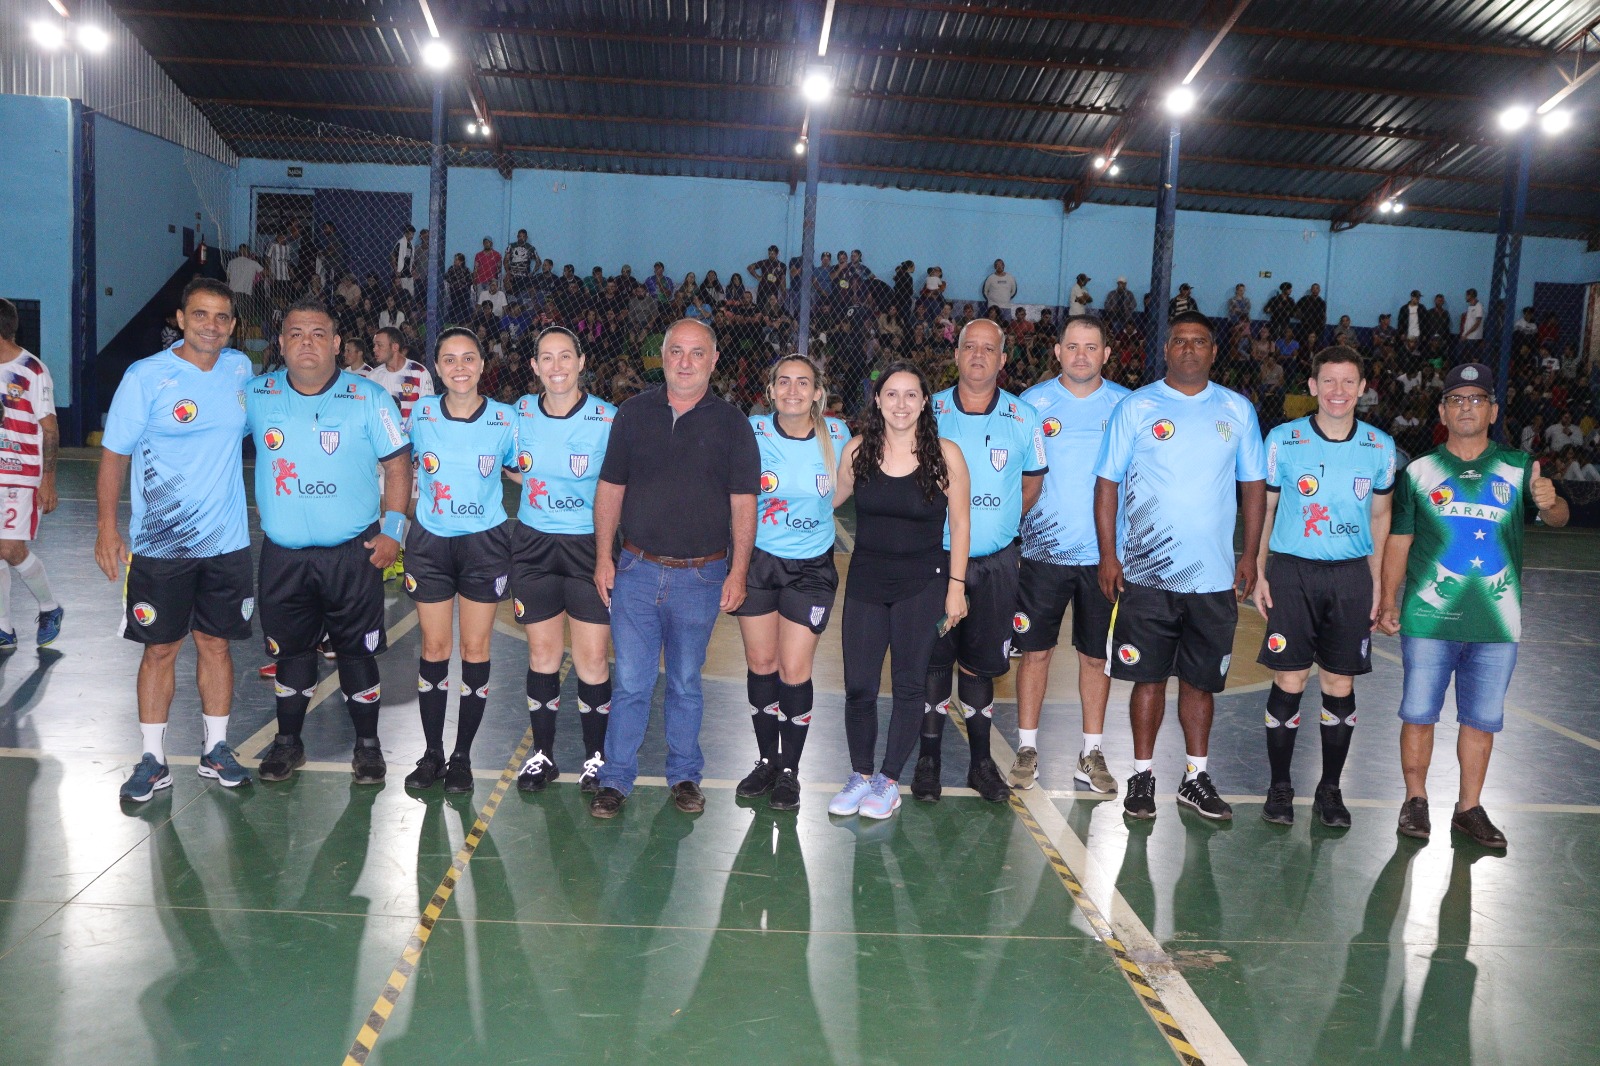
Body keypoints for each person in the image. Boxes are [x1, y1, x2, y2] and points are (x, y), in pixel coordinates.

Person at [1378, 362, 1569, 848]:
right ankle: (1415, 802)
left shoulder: (1520, 467)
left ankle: (1469, 808)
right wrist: (1387, 598)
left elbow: (1559, 518)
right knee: (1418, 713)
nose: (1466, 407)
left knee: (1481, 720)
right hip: (1429, 617)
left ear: (1493, 410)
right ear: (1443, 409)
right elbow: (1399, 541)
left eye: (1476, 399)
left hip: (1496, 620)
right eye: (1457, 399)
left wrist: (1549, 503)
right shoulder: (1419, 472)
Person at [1093, 311, 1267, 821]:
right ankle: (1142, 776)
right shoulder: (1136, 406)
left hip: (1212, 578)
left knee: (1200, 682)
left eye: (1200, 342)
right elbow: (1107, 483)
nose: (1190, 349)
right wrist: (1109, 554)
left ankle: (1195, 778)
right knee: (1147, 680)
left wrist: (1250, 554)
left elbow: (1253, 485)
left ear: (1214, 352)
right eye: (1180, 341)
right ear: (1166, 350)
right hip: (1147, 573)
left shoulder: (1237, 410)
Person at [588, 319, 760, 818]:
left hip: (703, 577)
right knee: (632, 683)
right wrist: (604, 556)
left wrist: (738, 571)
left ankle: (684, 775)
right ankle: (616, 779)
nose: (685, 361)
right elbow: (610, 490)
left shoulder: (731, 423)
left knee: (686, 681)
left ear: (713, 359)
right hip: (637, 571)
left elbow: (744, 505)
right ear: (662, 357)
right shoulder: (633, 414)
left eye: (696, 353)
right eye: (676, 352)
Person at [96, 279, 255, 802]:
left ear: (232, 325)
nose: (212, 325)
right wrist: (106, 528)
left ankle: (216, 749)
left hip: (226, 542)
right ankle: (152, 758)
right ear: (181, 319)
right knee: (160, 649)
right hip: (162, 545)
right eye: (201, 315)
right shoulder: (146, 377)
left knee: (216, 644)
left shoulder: (239, 369)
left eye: (222, 317)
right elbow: (115, 454)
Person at [245, 299, 412, 785]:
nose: (307, 343)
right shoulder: (256, 394)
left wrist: (393, 533)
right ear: (280, 343)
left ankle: (367, 747)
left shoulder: (369, 398)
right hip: (284, 555)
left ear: (337, 344)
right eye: (295, 334)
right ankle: (287, 743)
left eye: (319, 334)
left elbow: (399, 466)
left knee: (357, 654)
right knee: (290, 655)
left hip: (353, 554)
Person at [1253, 346, 1397, 828]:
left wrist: (1376, 584)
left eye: (1348, 382)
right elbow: (1266, 510)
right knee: (1289, 680)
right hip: (1293, 572)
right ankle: (1280, 786)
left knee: (1339, 683)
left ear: (1362, 388)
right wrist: (1257, 568)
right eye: (1328, 382)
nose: (1338, 391)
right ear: (1312, 387)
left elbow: (1380, 516)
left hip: (1350, 576)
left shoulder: (1379, 447)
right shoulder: (1283, 440)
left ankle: (1330, 789)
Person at [828, 362, 971, 820]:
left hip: (923, 585)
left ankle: (888, 781)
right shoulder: (855, 452)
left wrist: (956, 588)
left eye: (912, 395)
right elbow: (821, 501)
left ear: (925, 402)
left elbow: (962, 525)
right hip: (867, 583)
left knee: (910, 685)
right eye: (892, 394)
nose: (901, 404)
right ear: (877, 400)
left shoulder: (946, 455)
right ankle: (860, 774)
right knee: (859, 687)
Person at [915, 319, 1046, 803]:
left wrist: (1000, 522)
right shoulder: (930, 412)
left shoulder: (1022, 416)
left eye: (988, 348)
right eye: (969, 346)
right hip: (936, 560)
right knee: (934, 663)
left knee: (980, 667)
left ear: (1003, 359)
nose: (977, 355)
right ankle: (927, 761)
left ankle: (980, 764)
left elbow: (1031, 483)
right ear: (956, 355)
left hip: (995, 564)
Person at [1013, 315, 1130, 792]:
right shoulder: (1030, 405)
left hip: (1104, 558)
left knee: (1094, 657)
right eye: (1072, 345)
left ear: (1106, 354)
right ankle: (1026, 747)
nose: (1081, 354)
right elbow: (1016, 480)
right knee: (1035, 652)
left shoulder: (1128, 406)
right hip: (1042, 554)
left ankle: (1092, 752)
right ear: (1057, 351)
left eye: (1092, 346)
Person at [399, 328, 517, 793]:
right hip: (430, 544)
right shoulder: (420, 414)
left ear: (483, 366)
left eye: (469, 358)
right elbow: (393, 466)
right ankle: (432, 753)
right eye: (450, 359)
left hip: (484, 545)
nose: (460, 367)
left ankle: (463, 756)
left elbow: (526, 471)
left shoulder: (507, 420)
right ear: (437, 368)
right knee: (434, 649)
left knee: (474, 650)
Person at [734, 355, 851, 811]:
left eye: (803, 383)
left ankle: (790, 771)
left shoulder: (837, 436)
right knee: (761, 662)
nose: (793, 390)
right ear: (770, 390)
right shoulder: (754, 432)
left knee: (793, 670)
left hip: (810, 569)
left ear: (818, 393)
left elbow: (842, 490)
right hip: (759, 562)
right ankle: (765, 760)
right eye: (784, 382)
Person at [508, 327, 617, 793]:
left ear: (581, 361)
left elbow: (621, 485)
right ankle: (543, 756)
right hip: (533, 545)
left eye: (565, 357)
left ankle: (596, 758)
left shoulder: (608, 419)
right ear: (534, 367)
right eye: (547, 358)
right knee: (542, 654)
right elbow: (509, 466)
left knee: (593, 658)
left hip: (589, 548)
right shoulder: (516, 415)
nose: (557, 367)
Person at [0, 300, 62, 652]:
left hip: (21, 474)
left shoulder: (32, 370)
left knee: (10, 548)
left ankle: (50, 608)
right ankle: (3, 628)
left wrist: (48, 480)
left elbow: (50, 429)